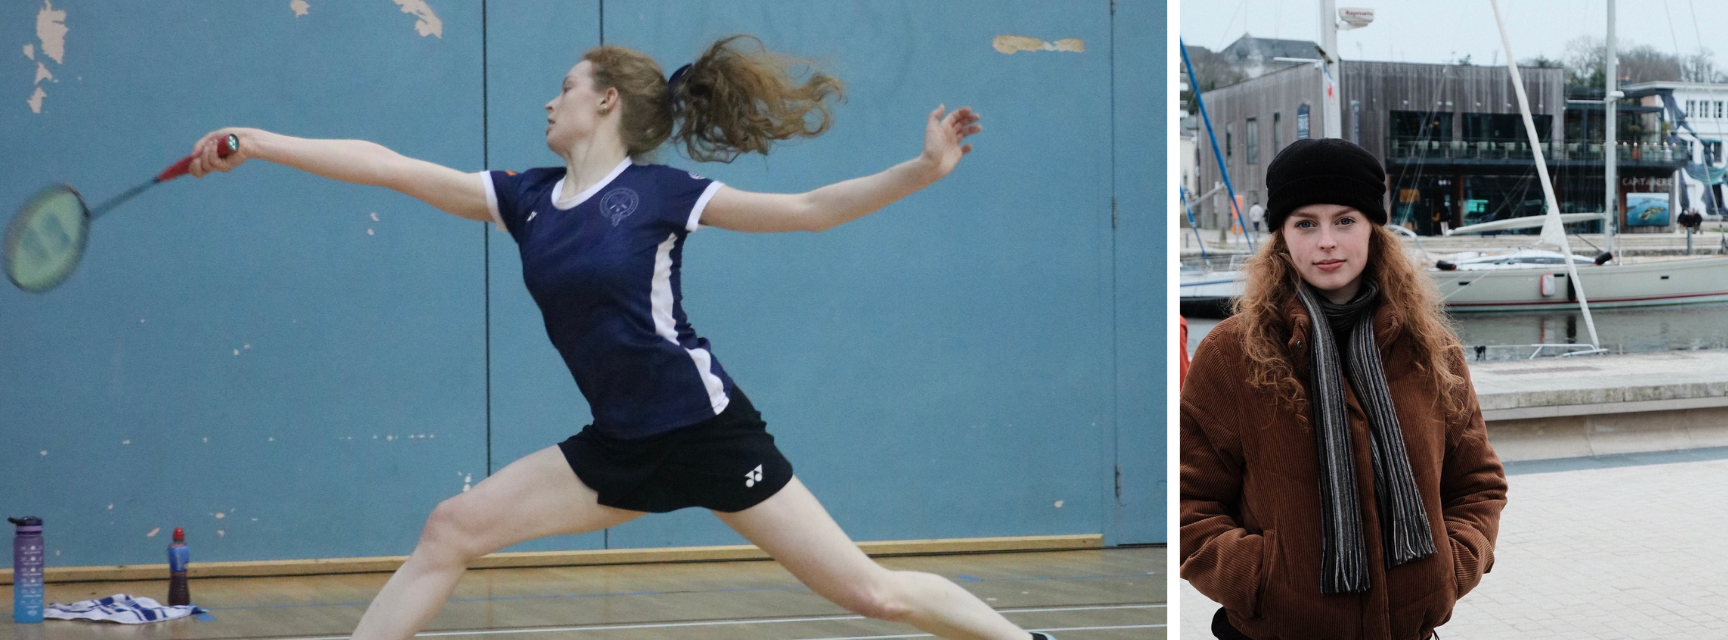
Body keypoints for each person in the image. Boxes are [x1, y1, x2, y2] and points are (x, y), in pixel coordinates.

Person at [187, 35, 1056, 640]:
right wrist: (258, 141)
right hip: (620, 447)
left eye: (563, 86)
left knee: (873, 594)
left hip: (709, 432)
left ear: (604, 101)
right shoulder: (525, 199)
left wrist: (924, 168)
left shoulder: (660, 193)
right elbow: (388, 164)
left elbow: (808, 212)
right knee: (451, 528)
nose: (548, 99)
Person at [1179, 138, 1507, 640]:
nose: (1326, 241)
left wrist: (1450, 567)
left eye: (1345, 220)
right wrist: (1260, 579)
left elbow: (1478, 483)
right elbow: (1189, 503)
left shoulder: (1429, 347)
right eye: (1305, 223)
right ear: (1282, 237)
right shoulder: (1232, 353)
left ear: (1374, 229)